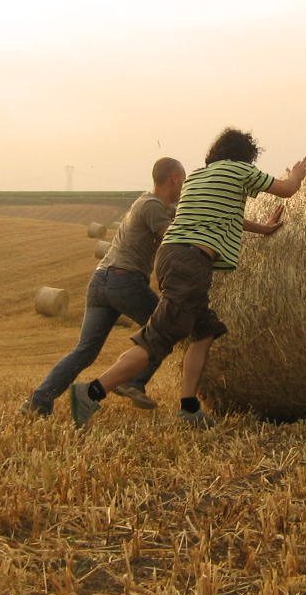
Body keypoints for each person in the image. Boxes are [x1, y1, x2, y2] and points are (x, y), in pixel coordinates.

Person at [69, 128, 306, 429]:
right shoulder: (240, 169)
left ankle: (188, 406)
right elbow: (288, 189)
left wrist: (262, 229)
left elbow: (222, 216)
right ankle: (91, 392)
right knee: (157, 340)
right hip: (191, 262)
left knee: (204, 331)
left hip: (172, 254)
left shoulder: (198, 177)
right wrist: (298, 174)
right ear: (245, 155)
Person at [21, 157, 186, 416]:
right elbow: (174, 240)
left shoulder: (145, 202)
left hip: (100, 281)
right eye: (183, 180)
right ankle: (134, 380)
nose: (183, 186)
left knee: (84, 351)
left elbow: (179, 213)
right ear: (174, 179)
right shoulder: (153, 206)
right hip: (124, 280)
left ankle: (38, 402)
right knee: (167, 328)